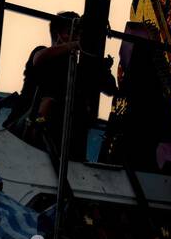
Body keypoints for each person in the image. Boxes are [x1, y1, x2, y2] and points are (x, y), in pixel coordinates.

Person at [8, 11, 115, 157]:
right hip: (22, 127)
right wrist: (76, 45)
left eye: (79, 33)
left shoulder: (76, 70)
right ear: (59, 34)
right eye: (73, 32)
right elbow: (39, 58)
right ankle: (34, 139)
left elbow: (110, 90)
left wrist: (102, 69)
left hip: (60, 136)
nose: (78, 36)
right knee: (49, 102)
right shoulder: (41, 52)